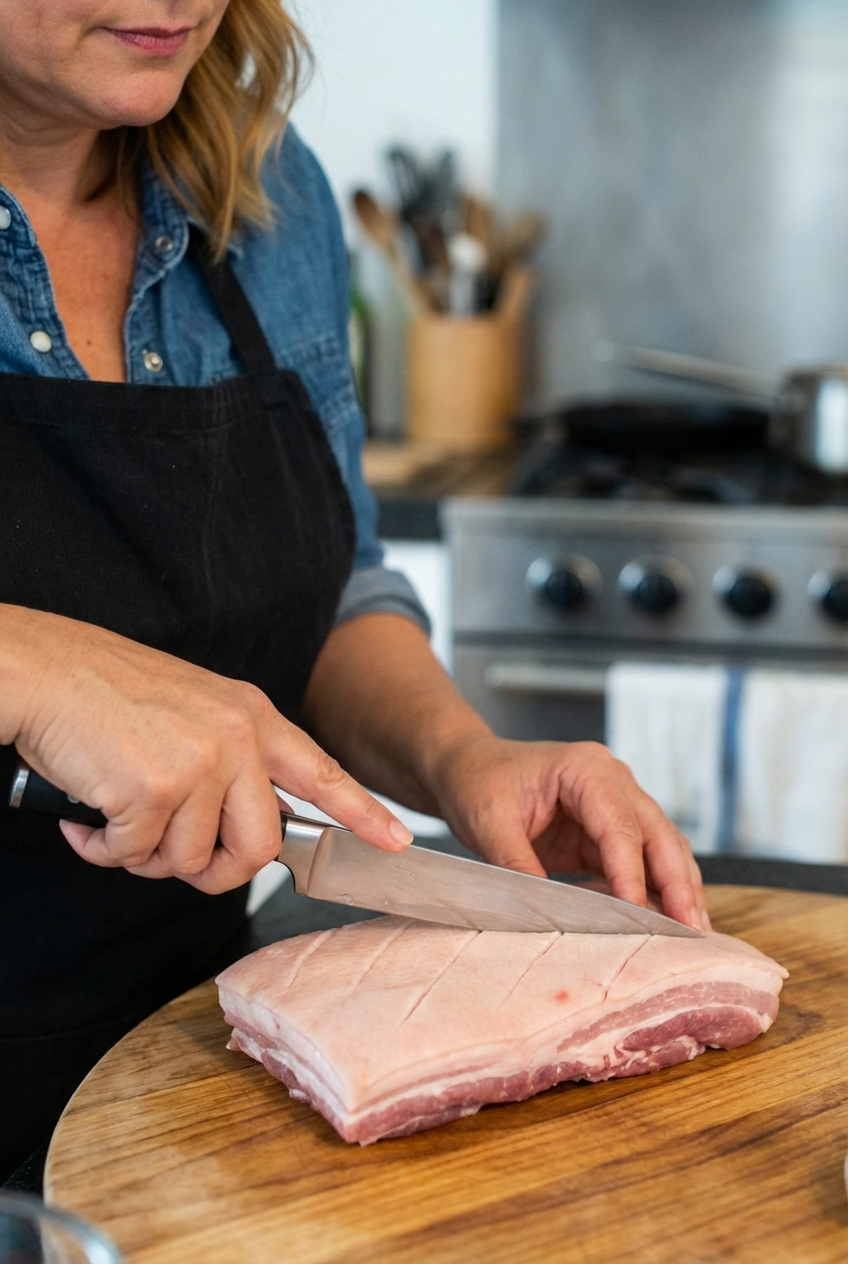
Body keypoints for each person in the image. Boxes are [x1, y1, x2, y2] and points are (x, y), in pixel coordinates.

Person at [0, 0, 710, 1182]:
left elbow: (326, 588)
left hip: (184, 1078)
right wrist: (34, 665)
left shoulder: (266, 196)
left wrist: (456, 759)